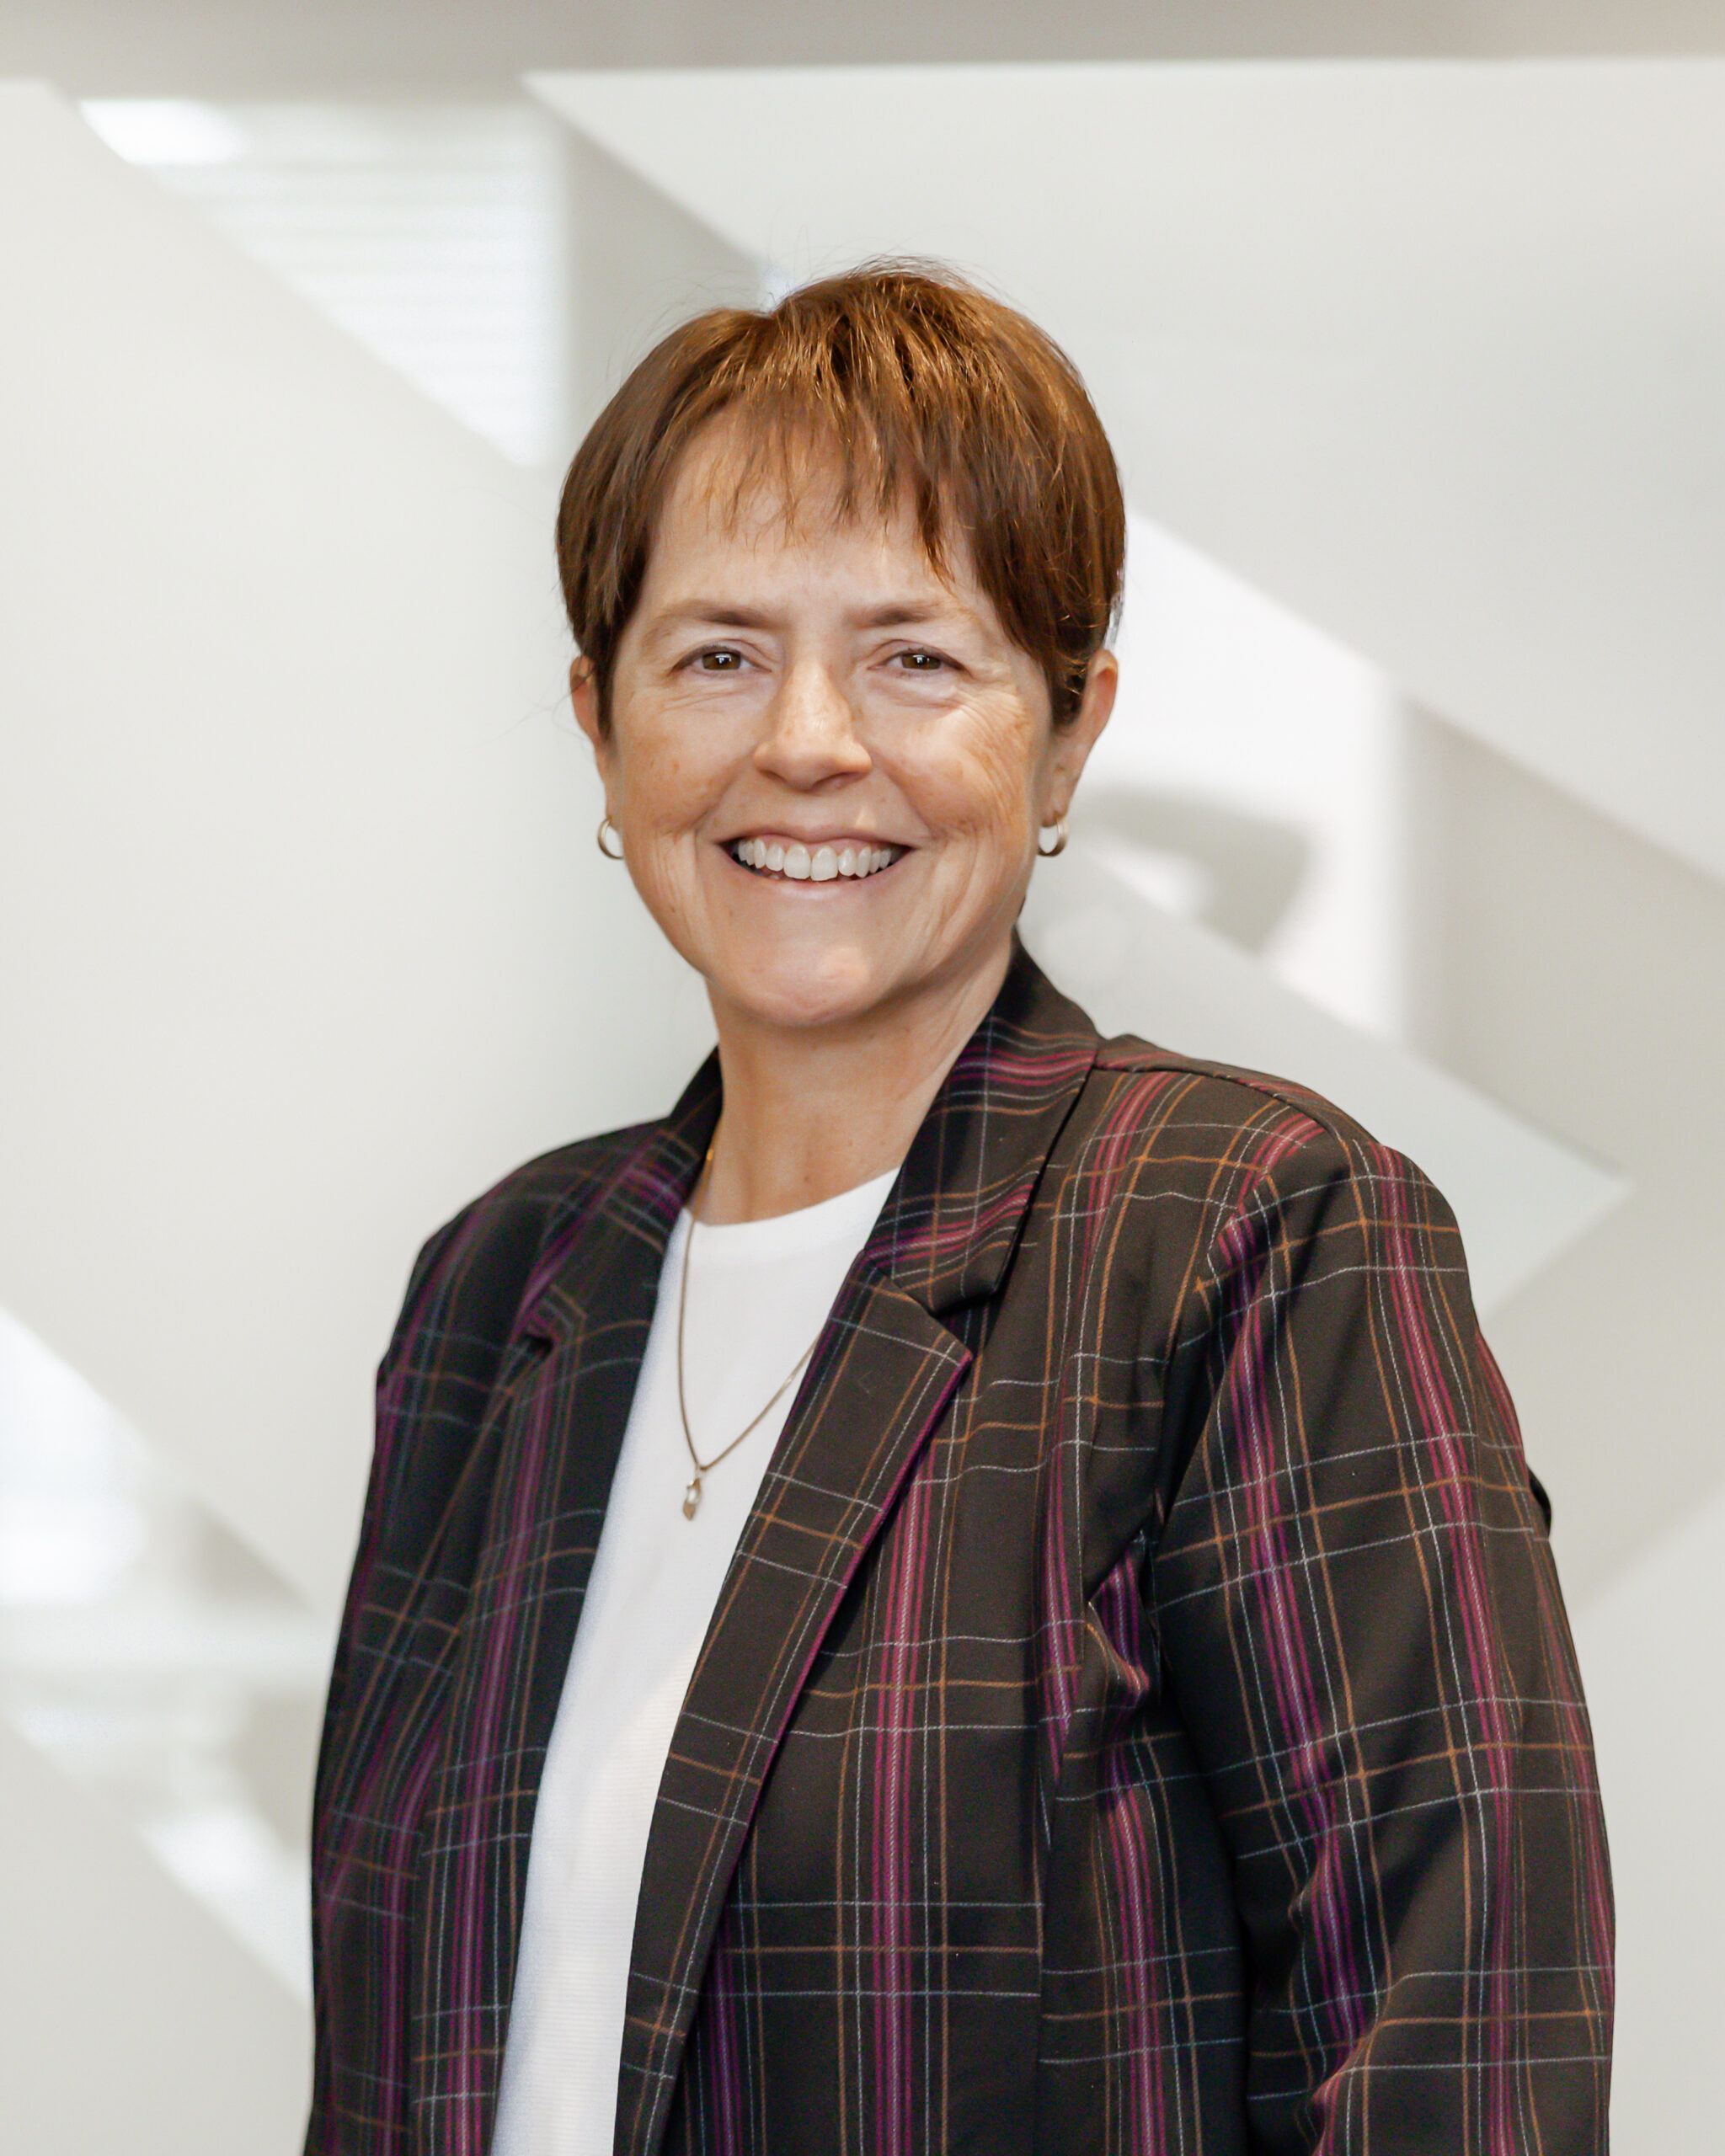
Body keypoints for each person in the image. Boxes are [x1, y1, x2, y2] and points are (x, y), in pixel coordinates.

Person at [305, 264, 1612, 2155]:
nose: (811, 741)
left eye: (916, 656)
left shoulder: (1247, 1231)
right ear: (602, 727)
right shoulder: (501, 1288)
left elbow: (1457, 2057)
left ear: (1066, 729)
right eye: (716, 653)